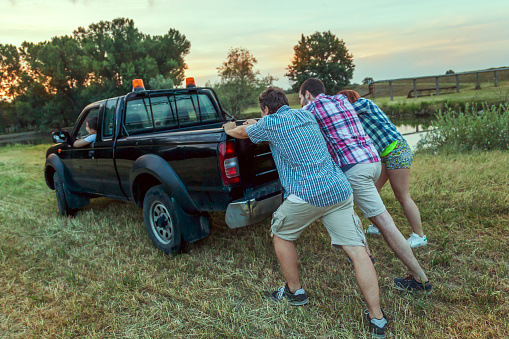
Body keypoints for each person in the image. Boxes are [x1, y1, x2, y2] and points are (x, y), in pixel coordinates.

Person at [223, 87, 388, 337]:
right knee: (357, 251)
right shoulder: (306, 115)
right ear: (286, 102)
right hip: (339, 190)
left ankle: (295, 291)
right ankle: (377, 318)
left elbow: (242, 132)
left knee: (281, 234)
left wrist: (227, 127)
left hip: (306, 195)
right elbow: (267, 123)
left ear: (266, 109)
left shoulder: (270, 123)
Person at [300, 78, 431, 293]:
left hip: (355, 168)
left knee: (384, 222)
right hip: (373, 161)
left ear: (306, 95)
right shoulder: (343, 100)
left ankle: (420, 279)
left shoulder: (311, 108)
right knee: (346, 206)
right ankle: (367, 256)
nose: (302, 102)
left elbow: (291, 121)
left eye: (301, 98)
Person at [339, 90, 427, 248]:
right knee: (373, 189)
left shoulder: (364, 104)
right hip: (384, 156)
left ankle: (419, 236)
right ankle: (378, 225)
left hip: (396, 150)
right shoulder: (354, 117)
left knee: (402, 195)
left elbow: (343, 112)